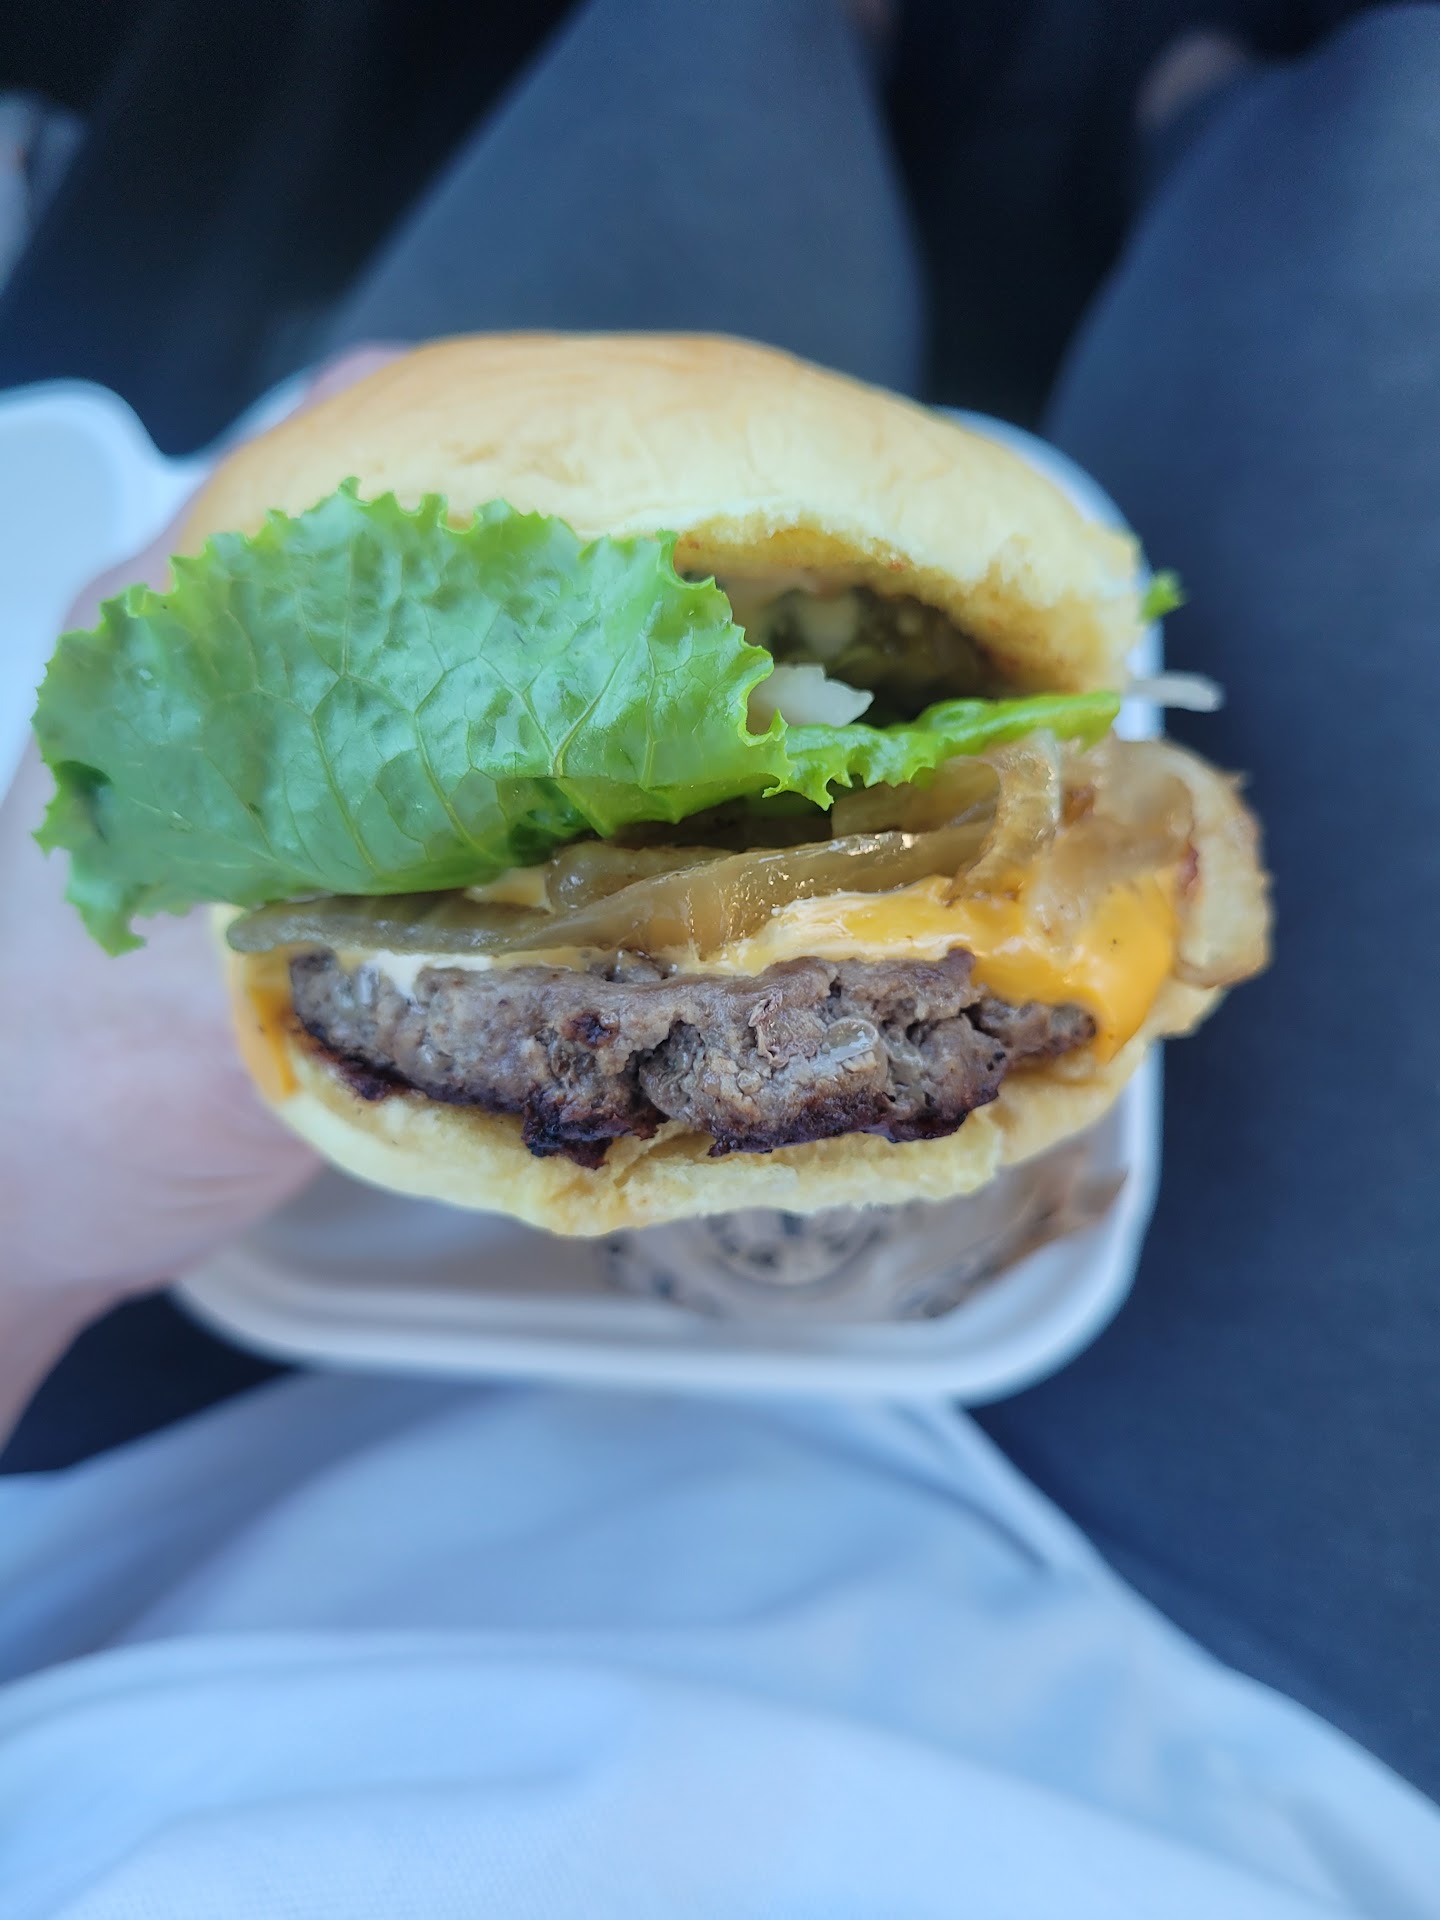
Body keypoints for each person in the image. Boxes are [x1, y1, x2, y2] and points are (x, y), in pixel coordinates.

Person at [3, 1, 1439, 1910]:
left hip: (148, 1536)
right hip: (1243, 1719)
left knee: (701, 56)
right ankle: (1197, 106)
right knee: (1398, 157)